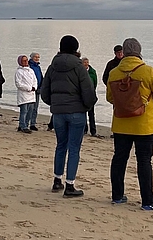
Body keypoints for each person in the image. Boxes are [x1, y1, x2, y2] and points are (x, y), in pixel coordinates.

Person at [107, 38, 153, 211]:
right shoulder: (147, 71)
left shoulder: (114, 72)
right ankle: (147, 201)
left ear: (123, 53)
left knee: (119, 159)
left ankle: (117, 196)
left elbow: (110, 98)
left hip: (120, 123)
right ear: (139, 52)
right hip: (144, 125)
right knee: (144, 162)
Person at [41, 35, 97, 198]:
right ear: (76, 49)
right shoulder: (79, 67)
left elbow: (44, 91)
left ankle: (57, 180)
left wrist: (55, 104)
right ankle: (70, 184)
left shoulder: (52, 67)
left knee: (61, 145)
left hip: (58, 113)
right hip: (76, 112)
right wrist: (87, 106)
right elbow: (88, 91)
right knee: (74, 148)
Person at [15, 55, 36, 133]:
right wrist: (29, 88)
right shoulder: (19, 71)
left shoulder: (31, 70)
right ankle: (22, 125)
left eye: (26, 60)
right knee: (24, 111)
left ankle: (26, 125)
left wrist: (34, 87)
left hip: (31, 95)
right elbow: (18, 84)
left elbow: (35, 80)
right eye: (24, 60)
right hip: (23, 95)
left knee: (30, 111)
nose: (26, 62)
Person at [82, 57, 102, 138]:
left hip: (90, 95)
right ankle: (84, 129)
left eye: (87, 62)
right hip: (82, 96)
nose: (86, 64)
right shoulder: (80, 72)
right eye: (84, 62)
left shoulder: (92, 72)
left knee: (91, 114)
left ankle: (93, 131)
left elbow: (95, 83)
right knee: (83, 113)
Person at [28, 52, 43, 131]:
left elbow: (41, 76)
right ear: (32, 58)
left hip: (38, 90)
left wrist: (41, 86)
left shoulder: (38, 67)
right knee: (30, 107)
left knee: (35, 108)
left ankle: (33, 123)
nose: (37, 58)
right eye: (35, 57)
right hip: (30, 90)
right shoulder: (29, 66)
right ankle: (26, 123)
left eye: (38, 57)